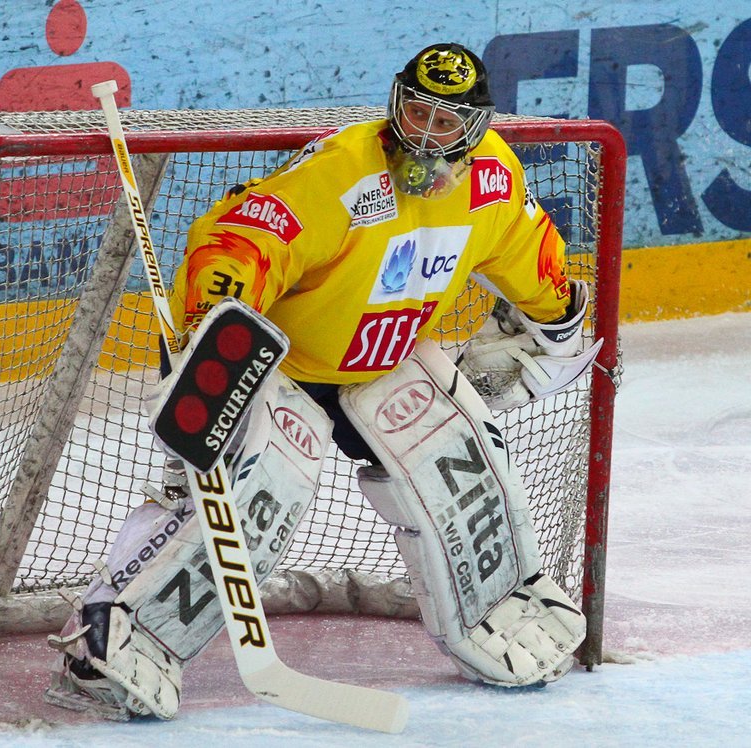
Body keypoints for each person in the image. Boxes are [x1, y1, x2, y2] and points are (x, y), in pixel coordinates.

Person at [44, 42, 600, 721]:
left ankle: (498, 604)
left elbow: (526, 249)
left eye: (446, 122)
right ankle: (110, 636)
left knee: (458, 465)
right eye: (417, 112)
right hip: (279, 365)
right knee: (252, 497)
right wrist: (213, 331)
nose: (426, 134)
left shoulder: (492, 183)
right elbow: (244, 238)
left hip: (383, 361)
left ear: (476, 128)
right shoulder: (345, 172)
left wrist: (557, 316)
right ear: (396, 103)